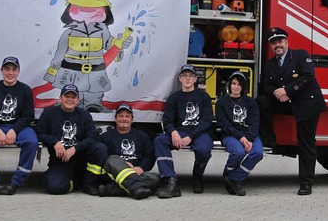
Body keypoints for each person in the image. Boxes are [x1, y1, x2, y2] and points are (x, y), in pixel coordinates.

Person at [256, 27, 327, 196]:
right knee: (261, 101)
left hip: (306, 102)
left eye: (280, 41)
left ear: (287, 42)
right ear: (270, 46)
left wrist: (287, 91)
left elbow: (308, 77)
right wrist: (277, 93)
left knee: (306, 143)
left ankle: (306, 183)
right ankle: (269, 139)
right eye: (274, 43)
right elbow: (267, 86)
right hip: (286, 102)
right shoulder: (270, 65)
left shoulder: (301, 56)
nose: (277, 45)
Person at [0, 56, 38, 195]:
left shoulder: (25, 90)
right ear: (1, 71)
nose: (10, 73)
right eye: (7, 69)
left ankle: (16, 182)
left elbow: (28, 115)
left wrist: (14, 130)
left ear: (18, 71)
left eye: (14, 69)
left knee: (32, 142)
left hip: (18, 127)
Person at [154, 64, 213, 198]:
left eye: (191, 76)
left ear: (195, 79)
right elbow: (168, 121)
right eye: (184, 76)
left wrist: (191, 137)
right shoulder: (174, 98)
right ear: (179, 79)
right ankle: (171, 181)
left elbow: (207, 121)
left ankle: (197, 176)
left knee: (203, 149)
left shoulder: (204, 97)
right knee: (160, 140)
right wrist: (173, 132)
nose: (187, 78)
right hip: (180, 132)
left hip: (200, 133)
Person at [35, 84, 106, 195]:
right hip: (60, 160)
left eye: (73, 97)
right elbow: (38, 133)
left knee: (100, 148)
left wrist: (75, 149)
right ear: (60, 98)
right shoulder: (49, 113)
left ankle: (90, 184)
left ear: (77, 100)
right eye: (67, 96)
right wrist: (54, 142)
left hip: (81, 158)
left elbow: (93, 137)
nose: (70, 99)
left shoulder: (84, 115)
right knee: (55, 188)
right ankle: (75, 182)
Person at [215, 71, 263, 196]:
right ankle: (229, 176)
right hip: (230, 135)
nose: (236, 87)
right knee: (238, 152)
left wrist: (250, 139)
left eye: (239, 85)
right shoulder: (221, 103)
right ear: (229, 84)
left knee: (257, 153)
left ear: (243, 87)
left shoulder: (251, 102)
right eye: (233, 84)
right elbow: (224, 125)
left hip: (249, 134)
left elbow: (254, 122)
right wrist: (241, 137)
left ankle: (234, 178)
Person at [98, 103, 159, 200]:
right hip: (116, 174)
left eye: (127, 116)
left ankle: (108, 190)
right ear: (115, 119)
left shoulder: (142, 136)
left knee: (154, 179)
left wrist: (141, 168)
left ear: (132, 119)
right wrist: (123, 164)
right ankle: (138, 188)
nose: (124, 119)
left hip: (136, 171)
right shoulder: (106, 136)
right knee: (112, 158)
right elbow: (104, 158)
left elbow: (150, 155)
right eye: (121, 116)